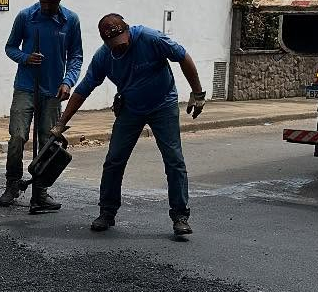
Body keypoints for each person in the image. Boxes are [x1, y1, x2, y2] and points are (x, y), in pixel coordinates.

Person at [56, 13, 207, 236]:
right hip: (130, 108)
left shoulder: (150, 37)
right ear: (106, 43)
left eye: (123, 43)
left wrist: (198, 92)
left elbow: (183, 56)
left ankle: (180, 215)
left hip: (162, 104)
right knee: (114, 160)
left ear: (128, 31)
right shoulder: (103, 57)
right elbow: (83, 89)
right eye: (114, 46)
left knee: (174, 160)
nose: (120, 48)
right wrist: (61, 124)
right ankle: (107, 212)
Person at [1, 0, 83, 214]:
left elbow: (76, 56)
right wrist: (25, 57)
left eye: (51, 2)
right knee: (17, 136)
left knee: (48, 142)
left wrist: (68, 82)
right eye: (42, 1)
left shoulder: (71, 21)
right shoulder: (26, 17)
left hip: (53, 89)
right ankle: (12, 183)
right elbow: (10, 47)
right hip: (26, 86)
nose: (45, 5)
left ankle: (41, 190)